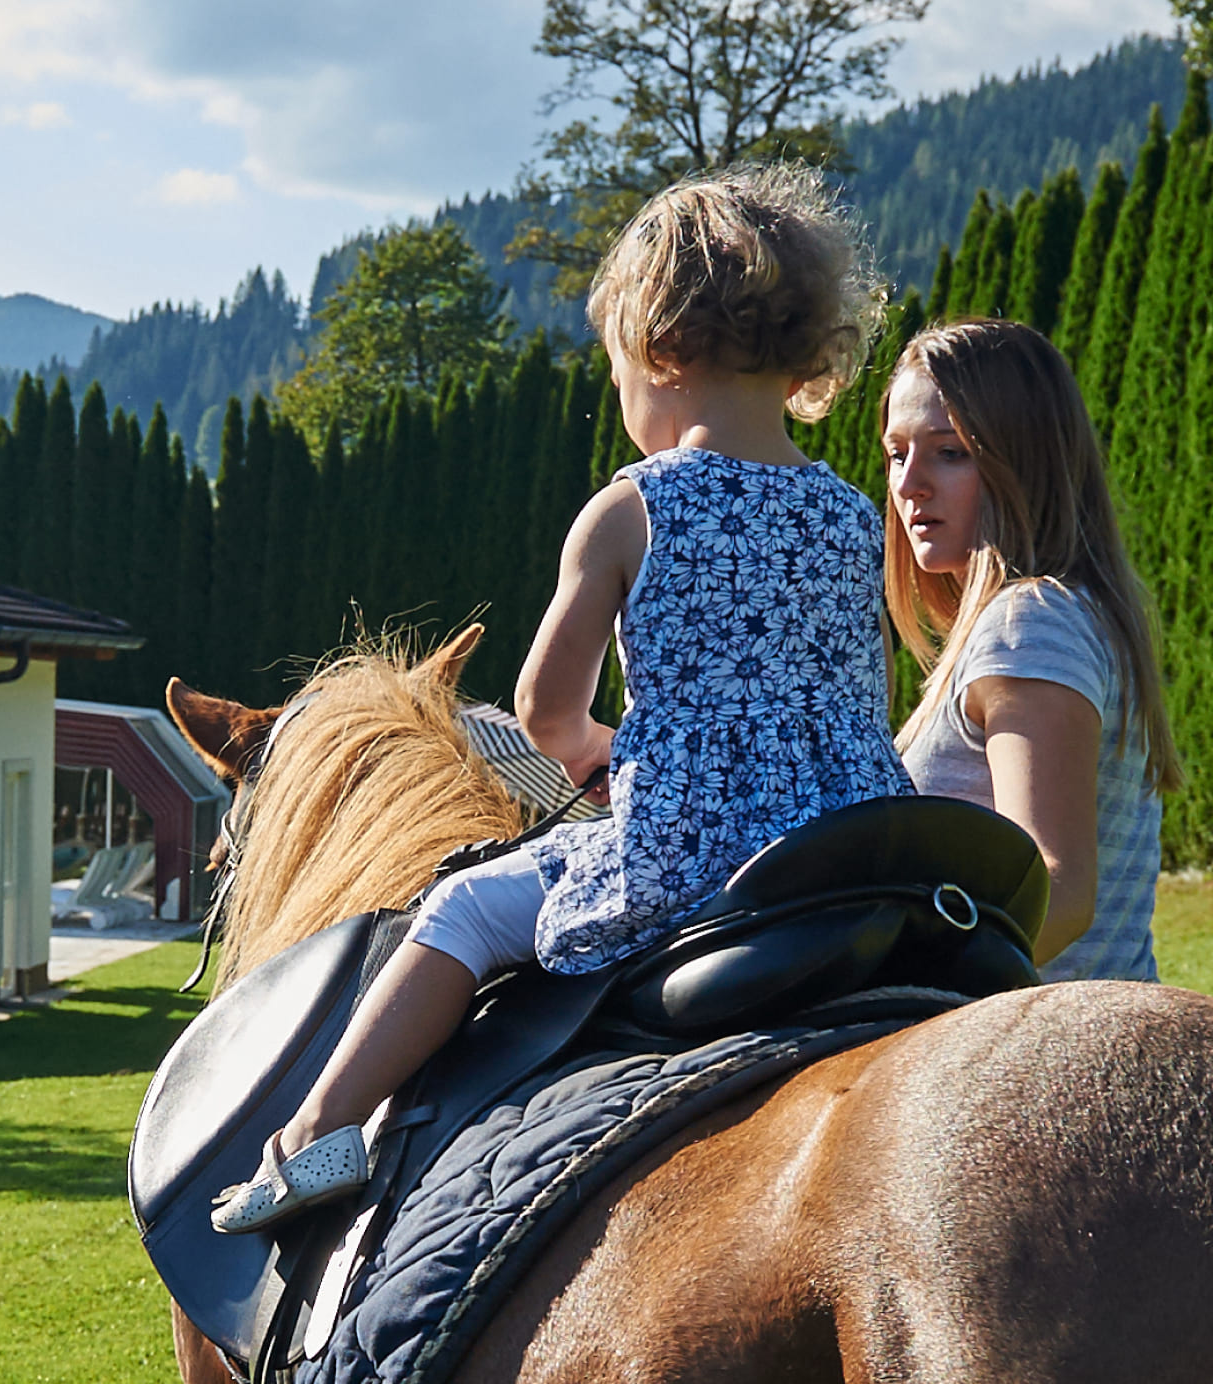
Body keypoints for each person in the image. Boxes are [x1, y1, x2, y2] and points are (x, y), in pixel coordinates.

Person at [212, 164, 913, 1235]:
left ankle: (314, 1136)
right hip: (858, 838)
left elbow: (544, 715)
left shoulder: (632, 508)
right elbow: (846, 689)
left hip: (695, 844)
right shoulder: (853, 515)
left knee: (460, 909)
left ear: (658, 349)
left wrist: (607, 750)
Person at [883, 319, 1180, 981]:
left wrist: (896, 994)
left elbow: (1059, 891)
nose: (909, 485)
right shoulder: (1055, 616)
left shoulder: (1030, 621)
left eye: (949, 451)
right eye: (897, 453)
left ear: (1022, 458)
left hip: (1041, 1051)